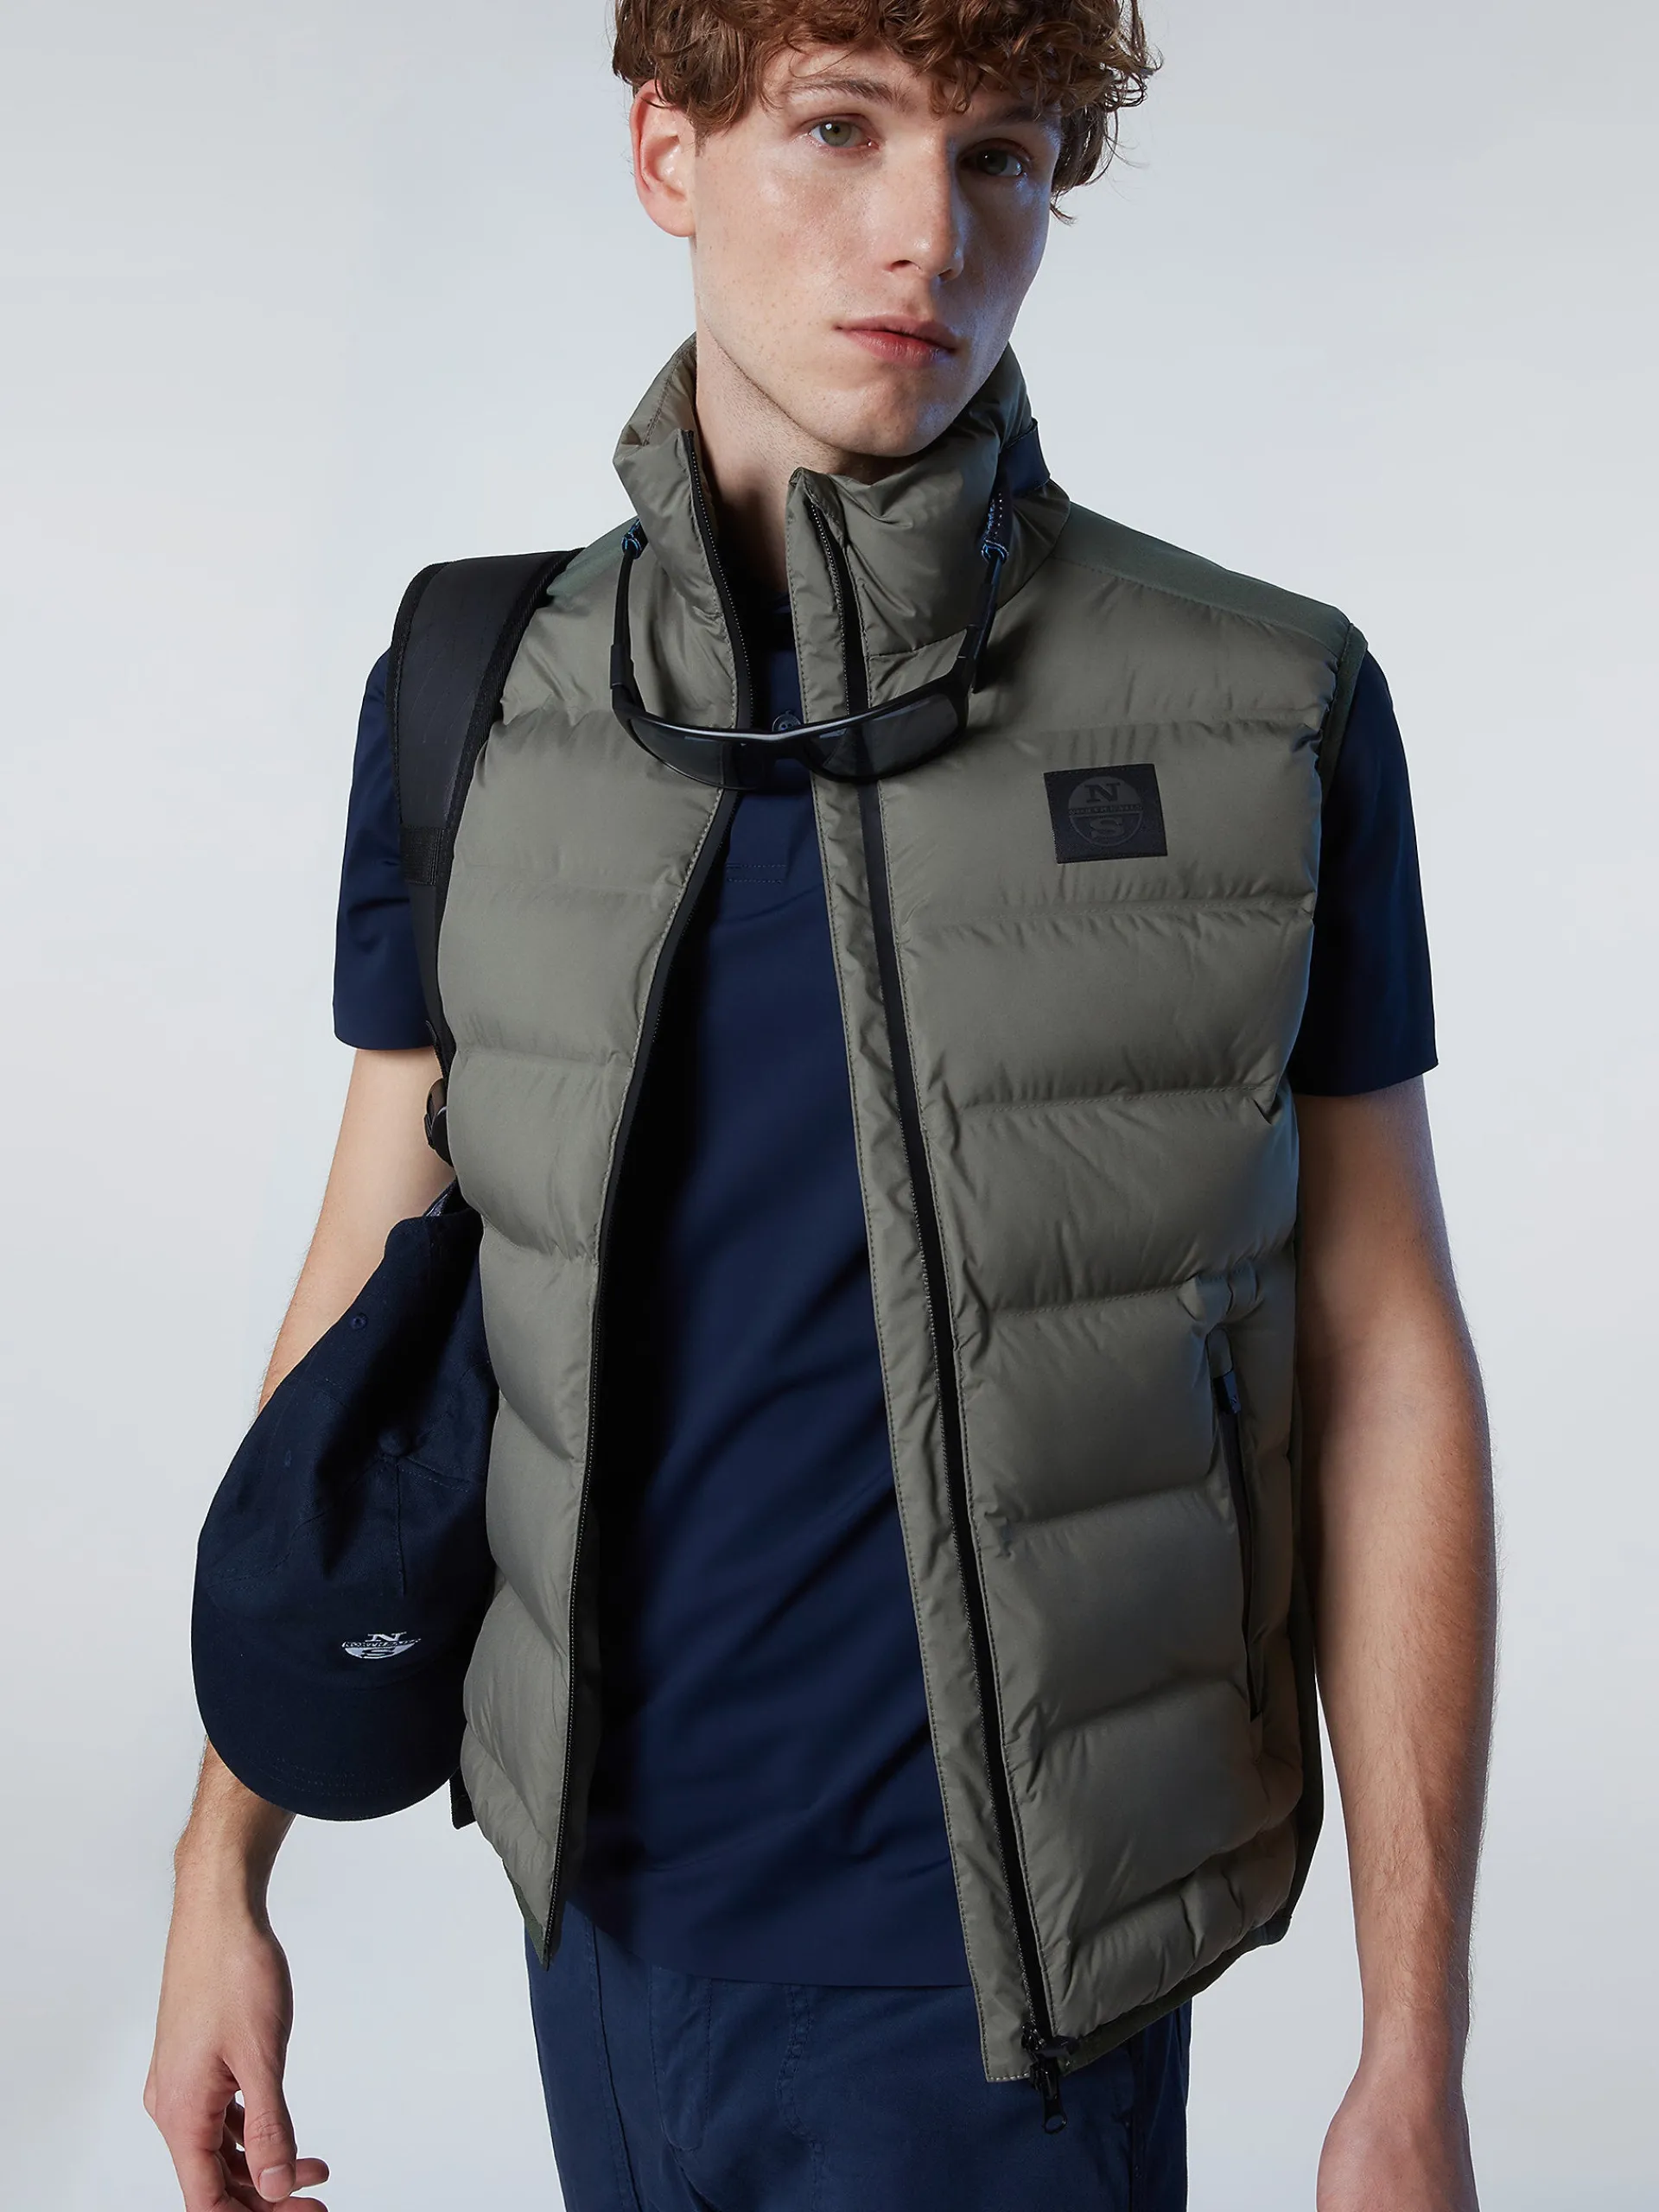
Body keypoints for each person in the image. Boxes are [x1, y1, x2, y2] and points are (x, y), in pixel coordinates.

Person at [145, 4, 1497, 2207]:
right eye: (841, 130)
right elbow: (368, 1297)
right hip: (598, 1941)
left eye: (1001, 159)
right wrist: (223, 1861)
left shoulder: (1271, 708)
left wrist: (1412, 2045)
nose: (927, 238)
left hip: (1015, 2000)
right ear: (666, 154)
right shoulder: (478, 697)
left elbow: (1386, 1347)